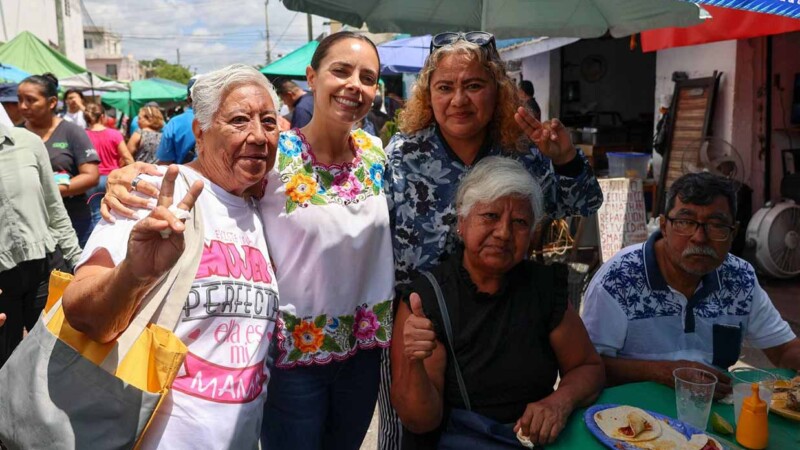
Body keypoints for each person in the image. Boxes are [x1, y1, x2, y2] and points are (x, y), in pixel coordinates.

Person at [100, 31, 392, 450]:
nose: (354, 85)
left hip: (364, 350)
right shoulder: (273, 154)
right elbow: (207, 174)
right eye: (341, 71)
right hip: (294, 356)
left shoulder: (377, 153)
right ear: (312, 77)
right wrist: (128, 176)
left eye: (367, 77)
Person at [378, 32, 603, 450]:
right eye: (445, 87)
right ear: (428, 94)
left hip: (503, 314)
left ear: (497, 90)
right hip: (421, 321)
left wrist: (565, 160)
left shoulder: (523, 152)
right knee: (406, 432)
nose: (458, 100)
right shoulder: (402, 156)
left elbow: (581, 205)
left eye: (474, 85)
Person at [62, 64, 281, 448]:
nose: (259, 135)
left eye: (269, 122)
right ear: (200, 131)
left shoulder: (264, 205)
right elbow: (80, 312)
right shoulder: (154, 192)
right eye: (239, 120)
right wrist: (133, 273)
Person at [391, 157, 604, 448]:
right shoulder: (426, 300)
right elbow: (420, 420)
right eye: (490, 216)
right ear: (462, 222)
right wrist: (414, 362)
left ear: (532, 234)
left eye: (519, 222)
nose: (504, 233)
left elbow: (588, 367)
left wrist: (559, 402)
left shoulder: (543, 287)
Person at [582, 172, 800, 399]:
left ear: (733, 233)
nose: (699, 237)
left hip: (711, 409)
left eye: (716, 225)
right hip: (627, 412)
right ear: (664, 226)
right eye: (685, 222)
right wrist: (663, 373)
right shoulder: (619, 278)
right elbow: (588, 367)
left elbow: (784, 349)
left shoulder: (740, 278)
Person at [0, 120, 82, 368]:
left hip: (45, 269)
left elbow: (54, 207)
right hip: (3, 284)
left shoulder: (28, 142)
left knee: (56, 361)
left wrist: (78, 263)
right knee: (6, 368)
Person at [18, 73, 100, 247]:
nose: (23, 106)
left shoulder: (72, 132)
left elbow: (91, 176)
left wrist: (49, 191)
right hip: (28, 225)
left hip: (73, 221)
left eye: (31, 100)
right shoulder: (15, 135)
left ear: (52, 102)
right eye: (20, 100)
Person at [84, 103, 134, 227]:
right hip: (112, 178)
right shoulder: (114, 134)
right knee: (116, 211)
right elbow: (127, 157)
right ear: (102, 116)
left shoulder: (82, 135)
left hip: (91, 180)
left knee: (96, 214)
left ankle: (97, 237)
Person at [155, 77, 197, 164]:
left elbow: (165, 162)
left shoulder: (175, 123)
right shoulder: (222, 121)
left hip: (183, 171)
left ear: (188, 99)